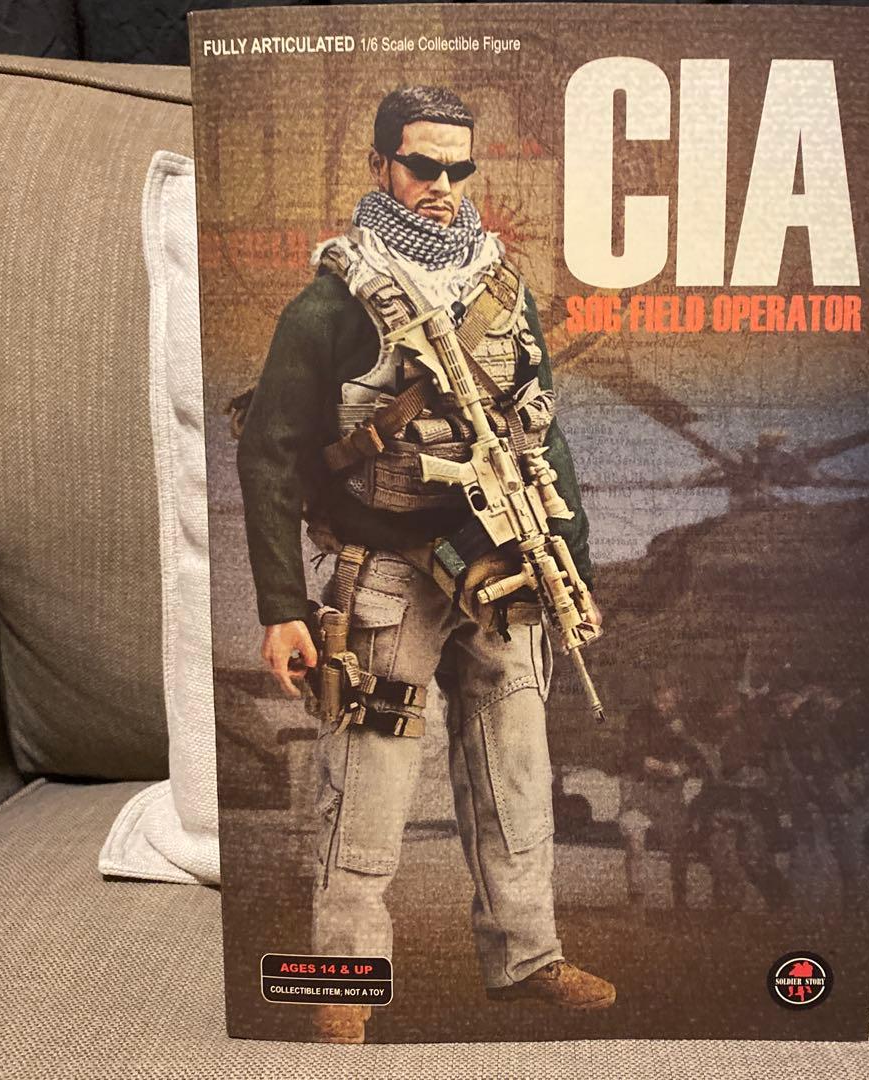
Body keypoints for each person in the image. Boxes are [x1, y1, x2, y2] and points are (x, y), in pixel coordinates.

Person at [237, 85, 615, 1044]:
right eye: (421, 165)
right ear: (381, 166)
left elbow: (541, 433)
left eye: (459, 168)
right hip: (387, 566)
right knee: (367, 776)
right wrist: (282, 605)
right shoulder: (330, 303)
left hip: (499, 568)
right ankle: (344, 978)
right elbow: (270, 455)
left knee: (515, 765)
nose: (442, 185)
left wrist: (570, 560)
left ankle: (527, 955)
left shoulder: (503, 289)